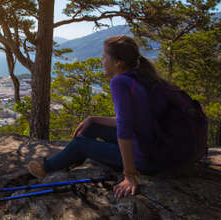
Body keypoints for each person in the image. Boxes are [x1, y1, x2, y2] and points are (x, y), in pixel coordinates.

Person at [28, 35, 201, 199]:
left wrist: (129, 176)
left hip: (151, 159)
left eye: (104, 57)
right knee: (91, 127)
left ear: (118, 63)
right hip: (170, 152)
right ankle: (71, 160)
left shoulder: (120, 82)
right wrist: (93, 119)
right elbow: (136, 119)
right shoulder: (144, 77)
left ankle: (47, 168)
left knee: (80, 144)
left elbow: (125, 129)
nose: (102, 61)